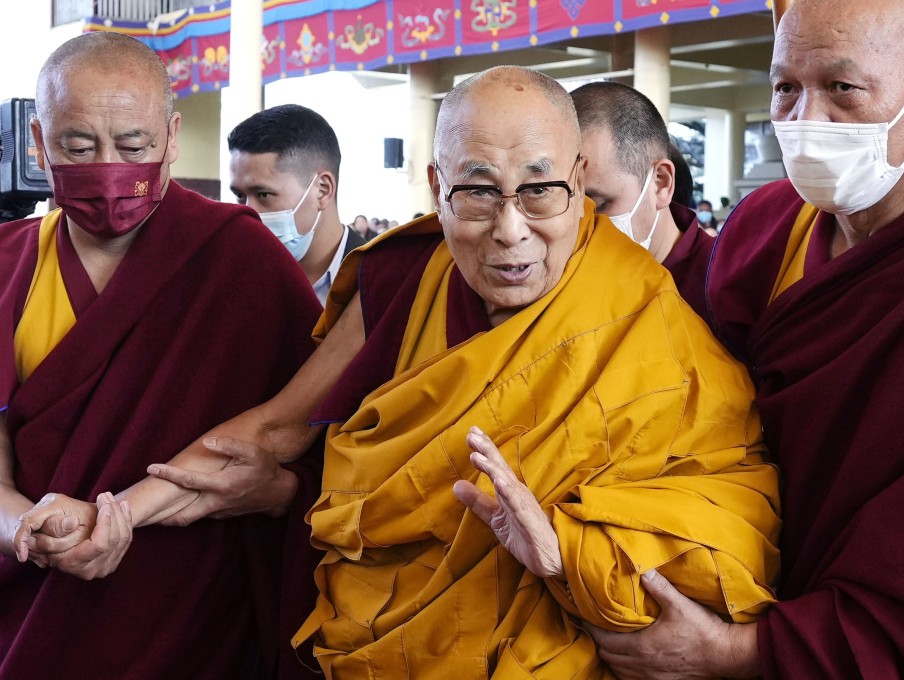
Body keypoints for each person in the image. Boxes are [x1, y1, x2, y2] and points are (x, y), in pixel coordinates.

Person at [67, 64, 777, 678]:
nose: (510, 230)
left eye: (539, 190)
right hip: (384, 638)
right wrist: (118, 515)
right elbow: (274, 430)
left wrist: (570, 551)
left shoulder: (644, 312)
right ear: (437, 185)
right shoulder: (407, 280)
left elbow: (733, 515)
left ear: (578, 179)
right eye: (477, 191)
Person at [585, 0, 904, 677]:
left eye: (842, 89)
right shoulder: (763, 227)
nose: (804, 122)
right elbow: (707, 430)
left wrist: (740, 652)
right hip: (739, 576)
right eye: (786, 87)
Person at [0, 32, 322, 679]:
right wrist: (26, 529)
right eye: (78, 147)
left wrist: (281, 492)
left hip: (197, 625)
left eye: (134, 146)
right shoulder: (6, 265)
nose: (109, 169)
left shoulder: (243, 260)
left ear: (172, 138)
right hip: (30, 614)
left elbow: (332, 442)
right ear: (38, 142)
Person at [571, 81, 713, 318]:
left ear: (660, 183)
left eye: (597, 205)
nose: (576, 227)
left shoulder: (723, 290)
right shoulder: (554, 286)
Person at [228, 104, 366, 306]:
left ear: (323, 190)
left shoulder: (384, 282)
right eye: (240, 195)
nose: (249, 212)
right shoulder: (234, 281)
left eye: (264, 194)